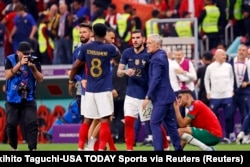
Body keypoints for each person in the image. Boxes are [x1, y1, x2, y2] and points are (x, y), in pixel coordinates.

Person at [69, 23, 118, 151]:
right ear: (105, 34)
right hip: (104, 88)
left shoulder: (85, 48)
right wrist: (106, 39)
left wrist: (71, 80)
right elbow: (118, 52)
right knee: (105, 120)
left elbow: (75, 67)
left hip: (89, 89)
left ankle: (80, 148)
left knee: (86, 120)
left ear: (93, 33)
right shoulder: (109, 48)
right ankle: (101, 149)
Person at [142, 34, 182, 151]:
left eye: (149, 43)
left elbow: (156, 79)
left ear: (157, 45)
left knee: (154, 123)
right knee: (170, 125)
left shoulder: (157, 58)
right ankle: (178, 149)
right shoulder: (161, 54)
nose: (146, 45)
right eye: (147, 43)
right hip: (167, 96)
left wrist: (148, 96)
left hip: (161, 97)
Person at [4, 41, 43, 151]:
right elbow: (7, 76)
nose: (27, 55)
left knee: (31, 124)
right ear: (18, 53)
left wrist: (34, 68)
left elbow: (40, 79)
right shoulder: (10, 59)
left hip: (29, 98)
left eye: (29, 53)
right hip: (12, 98)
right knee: (11, 125)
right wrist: (19, 64)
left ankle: (32, 149)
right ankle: (13, 147)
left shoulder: (34, 60)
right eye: (25, 53)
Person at [117, 29, 151, 151]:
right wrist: (125, 71)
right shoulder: (127, 52)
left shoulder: (149, 54)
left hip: (145, 96)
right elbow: (119, 72)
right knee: (129, 122)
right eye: (133, 38)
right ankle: (129, 149)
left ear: (144, 39)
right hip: (131, 94)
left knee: (153, 125)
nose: (135, 40)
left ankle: (166, 147)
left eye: (138, 38)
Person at [204, 49, 235, 143]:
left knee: (228, 116)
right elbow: (206, 80)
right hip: (215, 96)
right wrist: (208, 92)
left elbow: (231, 78)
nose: (224, 57)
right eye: (222, 55)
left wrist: (231, 89)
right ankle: (213, 135)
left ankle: (228, 136)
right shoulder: (210, 67)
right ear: (216, 56)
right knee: (212, 117)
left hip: (227, 95)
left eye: (225, 55)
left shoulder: (228, 66)